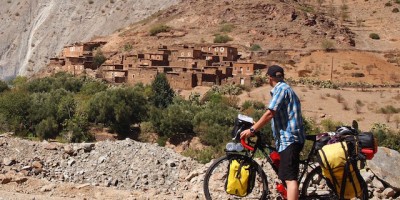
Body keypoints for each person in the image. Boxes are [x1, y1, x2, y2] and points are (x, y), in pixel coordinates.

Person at [240, 65, 305, 200]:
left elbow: (270, 113)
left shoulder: (281, 90)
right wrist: (256, 124)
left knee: (290, 179)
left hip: (290, 139)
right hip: (287, 139)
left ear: (269, 78)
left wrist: (252, 130)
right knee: (285, 175)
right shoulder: (285, 89)